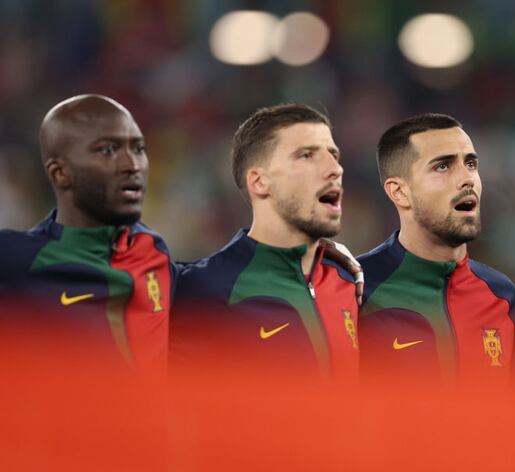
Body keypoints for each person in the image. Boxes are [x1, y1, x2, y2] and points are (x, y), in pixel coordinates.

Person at [170, 104, 359, 381]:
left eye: (334, 155)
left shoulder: (350, 286)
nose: (335, 169)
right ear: (260, 182)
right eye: (306, 155)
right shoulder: (206, 288)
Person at [0, 94, 171, 372]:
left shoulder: (153, 250)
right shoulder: (16, 262)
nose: (132, 165)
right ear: (60, 173)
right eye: (107, 150)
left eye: (138, 148)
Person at [358, 113, 515, 385]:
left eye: (470, 164)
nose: (467, 179)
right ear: (399, 192)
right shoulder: (352, 290)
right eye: (443, 166)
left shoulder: (501, 295)